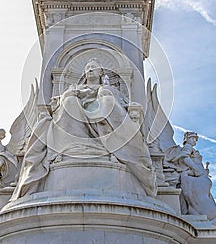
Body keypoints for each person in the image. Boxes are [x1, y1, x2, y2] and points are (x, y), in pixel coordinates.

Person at [12, 59, 156, 199]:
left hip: (102, 114)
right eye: (87, 68)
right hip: (77, 114)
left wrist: (102, 93)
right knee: (69, 101)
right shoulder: (74, 88)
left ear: (101, 72)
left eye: (93, 67)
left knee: (108, 100)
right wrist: (74, 95)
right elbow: (61, 100)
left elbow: (123, 102)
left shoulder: (108, 89)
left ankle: (111, 142)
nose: (90, 70)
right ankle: (72, 146)